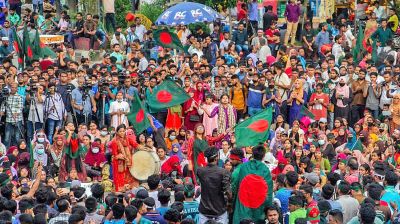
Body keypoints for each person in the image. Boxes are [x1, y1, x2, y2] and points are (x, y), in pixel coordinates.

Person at [196, 147, 231, 224]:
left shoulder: (200, 171)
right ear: (216, 157)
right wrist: (230, 203)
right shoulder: (224, 172)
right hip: (220, 210)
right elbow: (228, 192)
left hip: (204, 209)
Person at [109, 124, 141, 191]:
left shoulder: (128, 139)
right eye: (120, 131)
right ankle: (120, 190)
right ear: (117, 132)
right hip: (119, 163)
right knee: (120, 177)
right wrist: (120, 156)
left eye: (123, 131)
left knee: (129, 177)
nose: (122, 133)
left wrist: (145, 148)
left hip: (128, 162)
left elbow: (136, 145)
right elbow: (114, 155)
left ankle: (130, 189)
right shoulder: (114, 142)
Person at [0, 82, 24, 148]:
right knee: (7, 138)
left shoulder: (19, 97)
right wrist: (2, 111)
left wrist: (16, 113)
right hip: (8, 119)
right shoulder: (6, 96)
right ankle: (6, 152)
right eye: (12, 87)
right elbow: (3, 105)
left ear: (17, 89)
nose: (13, 89)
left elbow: (21, 107)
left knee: (17, 137)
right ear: (10, 88)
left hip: (17, 119)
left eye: (15, 88)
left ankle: (16, 151)